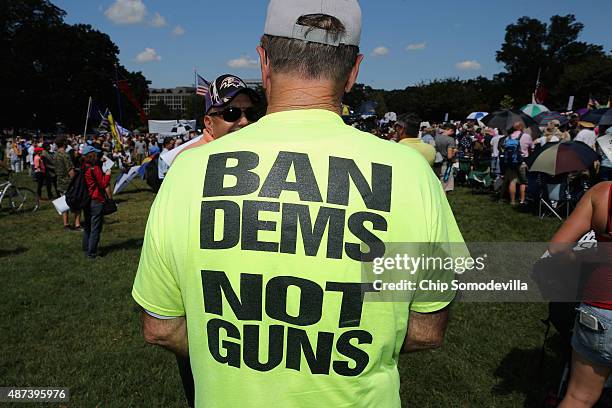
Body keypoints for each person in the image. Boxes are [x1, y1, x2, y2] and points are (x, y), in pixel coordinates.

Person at [132, 1, 463, 406]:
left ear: (264, 60)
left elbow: (161, 327)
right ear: (354, 71)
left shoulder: (189, 171)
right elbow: (427, 329)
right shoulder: (411, 175)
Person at [549, 181, 612, 408]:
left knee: (578, 398)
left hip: (600, 309)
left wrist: (582, 261)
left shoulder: (602, 192)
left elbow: (557, 248)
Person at [82, 145, 110, 259]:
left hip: (86, 200)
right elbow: (103, 184)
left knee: (88, 225)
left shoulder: (84, 167)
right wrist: (108, 175)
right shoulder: (95, 169)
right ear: (93, 156)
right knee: (96, 227)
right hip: (96, 199)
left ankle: (86, 246)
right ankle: (92, 252)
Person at [54, 137, 81, 231]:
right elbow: (71, 171)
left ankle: (66, 224)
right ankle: (77, 224)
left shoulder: (56, 154)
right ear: (65, 144)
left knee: (64, 204)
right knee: (77, 203)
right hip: (68, 183)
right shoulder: (65, 155)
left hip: (60, 182)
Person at [434, 123, 457, 193]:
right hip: (445, 164)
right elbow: (449, 156)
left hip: (436, 162)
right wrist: (455, 151)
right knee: (444, 187)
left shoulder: (436, 137)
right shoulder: (450, 140)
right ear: (451, 130)